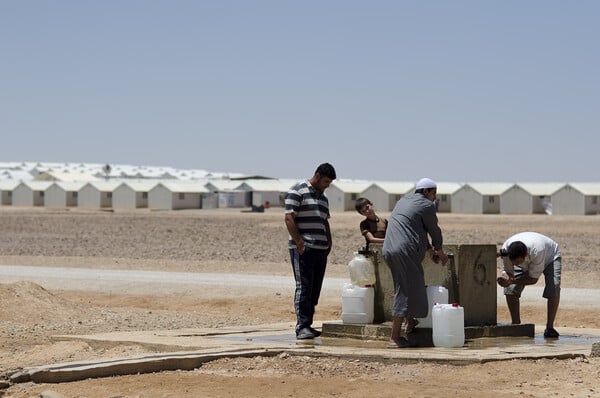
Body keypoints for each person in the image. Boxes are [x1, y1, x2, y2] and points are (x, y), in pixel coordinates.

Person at [382, 177, 449, 348]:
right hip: (405, 251)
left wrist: (429, 250)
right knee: (406, 290)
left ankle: (409, 323)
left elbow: (415, 229)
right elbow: (434, 231)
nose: (435, 197)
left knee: (407, 286)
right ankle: (394, 337)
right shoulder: (427, 205)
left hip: (389, 249)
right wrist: (440, 252)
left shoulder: (403, 201)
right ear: (426, 191)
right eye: (434, 193)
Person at [284, 163, 337, 340]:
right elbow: (289, 217)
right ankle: (302, 326)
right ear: (317, 175)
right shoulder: (297, 192)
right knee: (304, 287)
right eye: (326, 181)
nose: (327, 185)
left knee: (315, 289)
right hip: (304, 249)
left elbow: (325, 222)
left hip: (321, 250)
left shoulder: (323, 198)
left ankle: (309, 323)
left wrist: (329, 243)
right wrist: (299, 243)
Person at [496, 232, 562, 339]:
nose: (515, 265)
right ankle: (516, 325)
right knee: (510, 290)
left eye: (517, 262)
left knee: (553, 288)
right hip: (528, 255)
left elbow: (533, 279)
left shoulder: (538, 251)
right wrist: (505, 280)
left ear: (525, 255)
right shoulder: (506, 251)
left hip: (550, 256)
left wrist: (512, 281)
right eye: (513, 263)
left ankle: (550, 328)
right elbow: (508, 272)